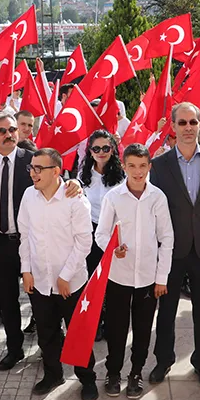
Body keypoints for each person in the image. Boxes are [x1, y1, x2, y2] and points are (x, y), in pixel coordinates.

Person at [0, 112, 82, 371]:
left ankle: (49, 349)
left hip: (32, 245)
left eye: (12, 129)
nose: (9, 134)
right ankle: (14, 348)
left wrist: (75, 183)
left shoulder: (31, 161)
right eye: (2, 131)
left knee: (41, 299)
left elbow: (58, 179)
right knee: (7, 301)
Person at [147, 102, 200, 387]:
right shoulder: (158, 165)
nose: (188, 128)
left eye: (193, 122)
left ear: (199, 124)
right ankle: (163, 360)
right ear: (173, 126)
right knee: (166, 310)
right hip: (172, 250)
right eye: (182, 123)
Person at [17, 148, 98, 400]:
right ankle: (53, 374)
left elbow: (84, 242)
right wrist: (26, 270)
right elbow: (25, 236)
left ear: (56, 171)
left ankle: (87, 379)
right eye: (31, 167)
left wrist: (65, 276)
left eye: (39, 168)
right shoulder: (29, 196)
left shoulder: (75, 199)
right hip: (40, 282)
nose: (33, 173)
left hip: (71, 283)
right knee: (47, 333)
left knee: (78, 334)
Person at [95, 143, 174, 400]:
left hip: (148, 278)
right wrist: (112, 248)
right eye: (132, 166)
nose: (137, 172)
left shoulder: (158, 197)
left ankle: (136, 372)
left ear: (149, 167)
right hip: (119, 275)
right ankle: (113, 372)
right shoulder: (114, 197)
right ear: (124, 166)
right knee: (117, 329)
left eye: (142, 166)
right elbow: (101, 233)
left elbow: (167, 237)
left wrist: (161, 278)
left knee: (142, 330)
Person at [80, 130, 126, 341]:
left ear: (113, 150)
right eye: (96, 148)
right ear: (90, 151)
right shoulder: (82, 175)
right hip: (89, 232)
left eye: (105, 148)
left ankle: (111, 321)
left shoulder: (122, 175)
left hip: (113, 232)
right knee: (93, 278)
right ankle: (95, 321)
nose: (101, 152)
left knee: (112, 279)